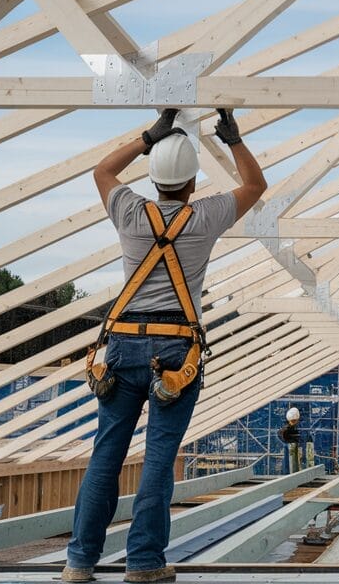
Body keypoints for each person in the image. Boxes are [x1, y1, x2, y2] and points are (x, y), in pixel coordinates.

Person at [63, 109, 266, 584]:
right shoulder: (205, 215)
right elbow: (255, 186)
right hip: (175, 353)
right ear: (193, 181)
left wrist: (148, 137)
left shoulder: (130, 211)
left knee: (106, 453)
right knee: (159, 456)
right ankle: (144, 563)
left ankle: (79, 562)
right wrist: (234, 141)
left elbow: (102, 171)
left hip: (123, 346)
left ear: (154, 178)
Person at [280, 406, 303, 473]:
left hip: (291, 445)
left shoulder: (287, 428)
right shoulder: (287, 429)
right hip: (290, 446)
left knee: (291, 462)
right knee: (289, 462)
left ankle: (289, 472)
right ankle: (288, 473)